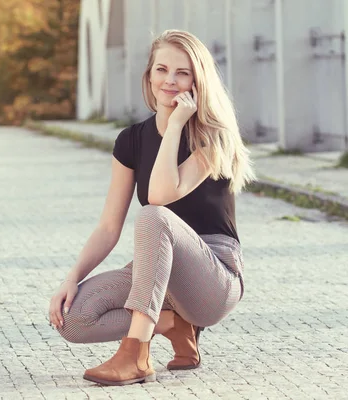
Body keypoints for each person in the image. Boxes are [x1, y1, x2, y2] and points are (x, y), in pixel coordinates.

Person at [48, 29, 256, 386]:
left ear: (198, 80)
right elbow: (108, 227)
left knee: (153, 215)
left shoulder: (211, 135)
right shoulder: (130, 140)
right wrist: (72, 278)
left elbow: (160, 196)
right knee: (73, 318)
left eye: (183, 73)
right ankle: (174, 324)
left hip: (213, 277)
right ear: (149, 75)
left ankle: (136, 354)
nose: (170, 81)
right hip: (157, 267)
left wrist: (175, 125)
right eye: (161, 70)